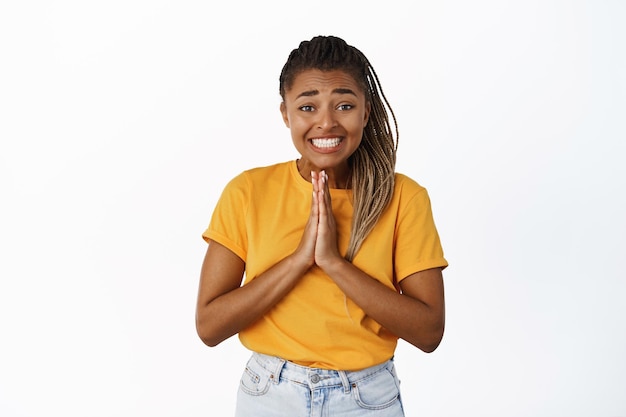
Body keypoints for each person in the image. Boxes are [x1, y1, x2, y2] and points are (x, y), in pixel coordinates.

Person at [196, 35, 448, 416]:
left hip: (367, 398)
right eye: (308, 106)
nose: (326, 122)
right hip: (270, 394)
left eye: (344, 105)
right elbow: (210, 326)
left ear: (365, 112)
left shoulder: (403, 198)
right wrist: (300, 259)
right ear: (286, 114)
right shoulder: (248, 191)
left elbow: (429, 332)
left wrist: (333, 262)